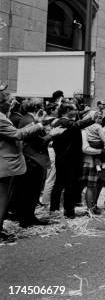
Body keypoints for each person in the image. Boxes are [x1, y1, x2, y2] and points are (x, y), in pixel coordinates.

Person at [0, 91, 47, 242]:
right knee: (2, 199)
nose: (13, 103)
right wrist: (39, 124)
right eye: (10, 100)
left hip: (9, 162)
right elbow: (17, 134)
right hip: (5, 162)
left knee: (5, 199)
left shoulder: (4, 116)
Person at [14, 99, 63, 227]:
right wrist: (51, 134)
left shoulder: (28, 119)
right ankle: (26, 219)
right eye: (42, 107)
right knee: (30, 191)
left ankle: (30, 217)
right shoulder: (29, 121)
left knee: (33, 191)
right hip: (32, 160)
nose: (44, 109)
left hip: (32, 159)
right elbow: (39, 143)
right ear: (37, 108)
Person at [50, 104, 95, 219]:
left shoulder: (63, 121)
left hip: (64, 158)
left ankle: (56, 209)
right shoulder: (63, 122)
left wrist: (87, 112)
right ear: (67, 111)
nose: (76, 111)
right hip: (68, 159)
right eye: (74, 109)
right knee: (68, 185)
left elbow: (77, 120)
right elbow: (77, 124)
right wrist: (93, 118)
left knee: (61, 184)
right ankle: (67, 211)